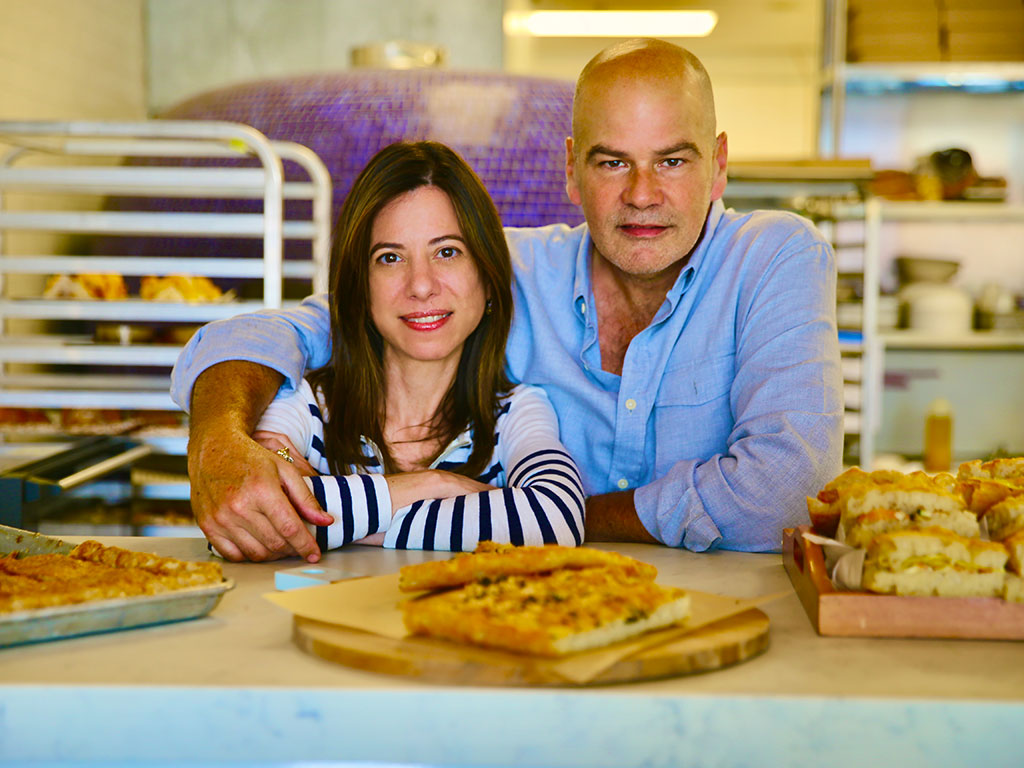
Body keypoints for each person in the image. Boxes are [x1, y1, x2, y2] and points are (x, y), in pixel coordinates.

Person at [172, 38, 843, 563]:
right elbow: (315, 326)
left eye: (673, 160)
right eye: (612, 162)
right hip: (520, 611)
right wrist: (221, 442)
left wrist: (565, 515)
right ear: (572, 169)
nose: (642, 194)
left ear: (720, 164)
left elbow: (784, 493)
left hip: (730, 617)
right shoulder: (502, 267)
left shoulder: (775, 256)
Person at [212, 140, 585, 555]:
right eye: (390, 258)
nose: (421, 285)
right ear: (359, 286)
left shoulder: (516, 412)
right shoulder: (306, 400)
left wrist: (336, 519)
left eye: (447, 252)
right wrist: (432, 485)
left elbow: (558, 519)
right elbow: (252, 512)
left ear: (488, 276)